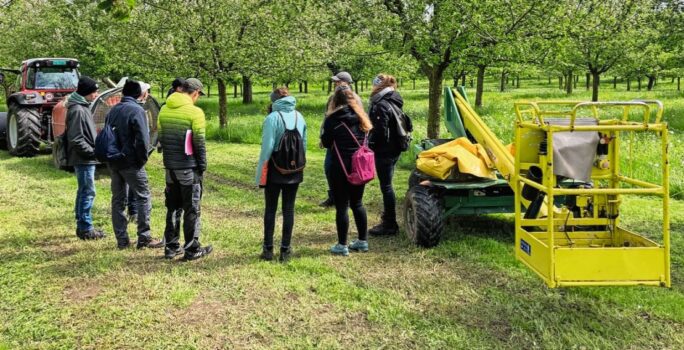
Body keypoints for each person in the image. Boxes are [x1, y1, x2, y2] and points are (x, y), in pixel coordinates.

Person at [157, 78, 213, 260]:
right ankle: (191, 249)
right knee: (192, 209)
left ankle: (171, 247)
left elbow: (161, 137)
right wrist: (202, 166)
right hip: (188, 168)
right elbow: (199, 143)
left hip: (170, 168)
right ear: (195, 92)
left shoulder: (164, 109)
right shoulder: (195, 112)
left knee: (173, 207)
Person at [105, 79, 164, 249]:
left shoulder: (113, 110)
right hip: (131, 163)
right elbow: (143, 140)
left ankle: (122, 240)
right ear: (141, 94)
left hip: (114, 161)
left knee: (118, 200)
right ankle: (144, 237)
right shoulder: (137, 110)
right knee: (143, 197)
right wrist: (141, 160)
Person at [320, 85, 373, 256]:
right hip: (359, 166)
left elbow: (326, 142)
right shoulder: (362, 118)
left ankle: (342, 245)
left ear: (335, 101)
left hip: (339, 166)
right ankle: (362, 241)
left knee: (342, 206)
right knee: (357, 203)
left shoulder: (332, 120)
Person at [255, 87, 307, 262]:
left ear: (273, 101)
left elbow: (266, 149)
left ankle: (268, 249)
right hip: (295, 170)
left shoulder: (272, 118)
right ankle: (285, 250)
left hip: (275, 170)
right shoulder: (300, 116)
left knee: (271, 209)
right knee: (289, 209)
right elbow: (304, 146)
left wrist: (260, 175)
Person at [66, 76, 106, 240]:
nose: (96, 94)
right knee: (87, 192)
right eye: (95, 91)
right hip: (83, 159)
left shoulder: (83, 107)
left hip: (86, 158)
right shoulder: (77, 110)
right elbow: (76, 138)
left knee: (84, 191)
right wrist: (92, 152)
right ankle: (85, 229)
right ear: (87, 92)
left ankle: (83, 225)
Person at [319, 71, 364, 208]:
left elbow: (360, 119)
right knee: (329, 169)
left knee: (344, 168)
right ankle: (333, 195)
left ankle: (347, 197)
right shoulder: (332, 97)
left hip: (346, 142)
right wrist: (323, 135)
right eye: (335, 82)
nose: (335, 84)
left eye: (338, 81)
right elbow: (327, 117)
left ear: (346, 82)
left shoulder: (355, 98)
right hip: (333, 139)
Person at [367, 74, 404, 236]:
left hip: (385, 150)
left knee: (386, 186)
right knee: (387, 185)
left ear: (377, 86)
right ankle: (389, 220)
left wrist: (371, 145)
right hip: (394, 148)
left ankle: (390, 223)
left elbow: (380, 132)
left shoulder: (381, 104)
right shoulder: (394, 100)